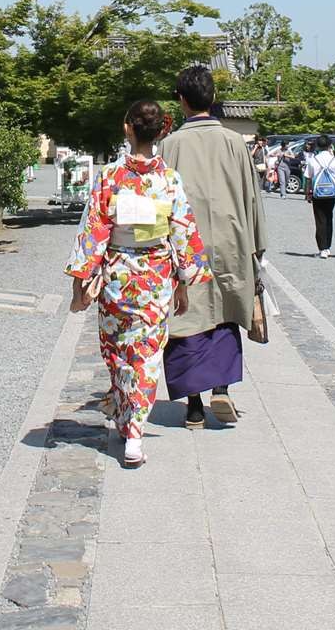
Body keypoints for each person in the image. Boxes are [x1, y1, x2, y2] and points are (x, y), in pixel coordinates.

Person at [66, 99, 209, 467]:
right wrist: (182, 283)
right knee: (145, 356)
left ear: (127, 127)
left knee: (118, 352)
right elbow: (183, 235)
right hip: (156, 278)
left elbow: (94, 231)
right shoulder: (169, 180)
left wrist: (81, 282)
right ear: (162, 130)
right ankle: (134, 429)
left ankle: (129, 424)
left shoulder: (110, 178)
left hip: (117, 275)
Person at [160, 65, 268, 429]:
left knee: (188, 319)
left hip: (185, 243)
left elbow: (161, 202)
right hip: (231, 240)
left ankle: (193, 406)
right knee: (224, 310)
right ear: (214, 99)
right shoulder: (235, 142)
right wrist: (258, 245)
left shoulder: (170, 145)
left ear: (181, 101)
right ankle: (221, 387)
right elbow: (253, 198)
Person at [302, 134, 335, 258]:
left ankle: (322, 249)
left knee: (320, 220)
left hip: (318, 193)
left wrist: (307, 193)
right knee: (329, 218)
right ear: (329, 145)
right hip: (331, 193)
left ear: (318, 146)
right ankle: (328, 247)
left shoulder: (313, 161)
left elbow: (308, 179)